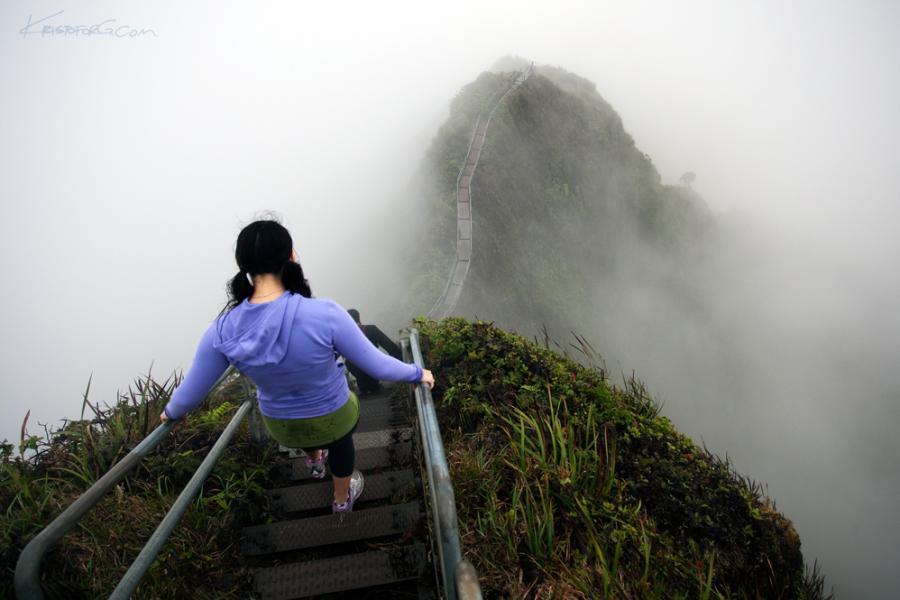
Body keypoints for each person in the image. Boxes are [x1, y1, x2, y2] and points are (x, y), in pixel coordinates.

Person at [159, 219, 435, 514]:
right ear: (291, 255)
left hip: (283, 428)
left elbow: (192, 390)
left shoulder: (222, 330)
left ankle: (315, 459)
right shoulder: (325, 313)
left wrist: (171, 411)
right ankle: (342, 499)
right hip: (334, 417)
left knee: (303, 424)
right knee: (340, 437)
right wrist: (418, 372)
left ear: (243, 264)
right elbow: (378, 366)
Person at [345, 308, 403, 396]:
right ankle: (371, 385)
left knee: (351, 363)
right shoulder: (371, 329)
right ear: (359, 318)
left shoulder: (344, 335)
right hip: (373, 368)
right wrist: (400, 365)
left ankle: (365, 387)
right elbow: (390, 347)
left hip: (357, 371)